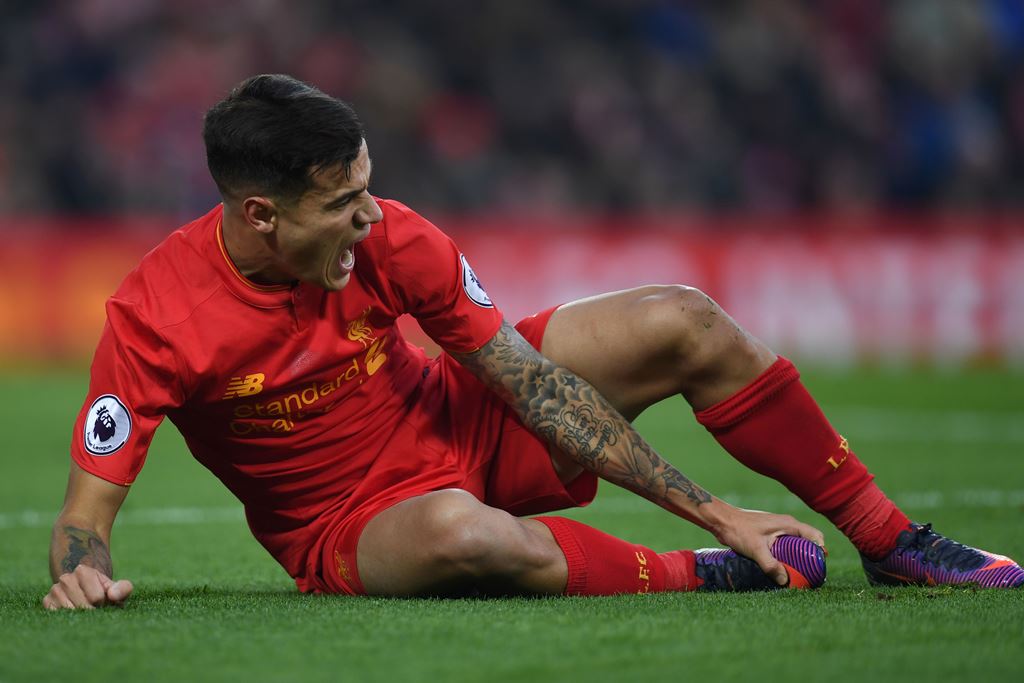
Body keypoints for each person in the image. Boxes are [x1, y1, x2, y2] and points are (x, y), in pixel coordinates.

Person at [43, 75, 1022, 610]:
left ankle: (889, 540)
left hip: (463, 422)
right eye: (341, 203)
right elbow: (86, 514)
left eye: (368, 187)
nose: (368, 216)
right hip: (352, 525)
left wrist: (718, 505)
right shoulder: (155, 317)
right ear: (261, 214)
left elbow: (529, 381)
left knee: (681, 316)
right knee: (461, 533)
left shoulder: (389, 236)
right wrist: (81, 568)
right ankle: (697, 573)